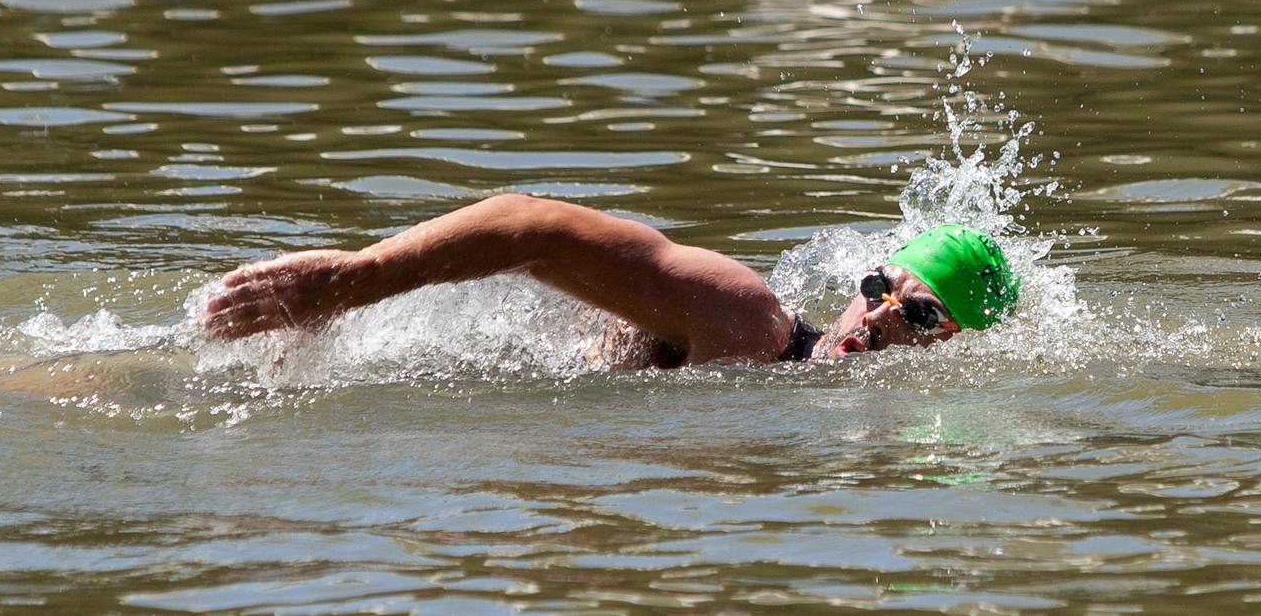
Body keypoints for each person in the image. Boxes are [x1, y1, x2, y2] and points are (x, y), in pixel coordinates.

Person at [202, 193, 1018, 367]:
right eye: (879, 284)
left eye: (919, 314)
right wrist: (359, 277)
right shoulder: (749, 320)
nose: (877, 317)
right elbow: (534, 229)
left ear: (958, 347)